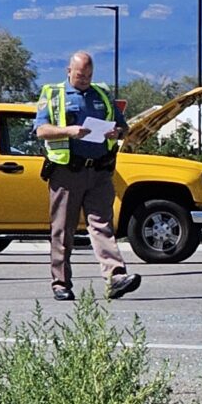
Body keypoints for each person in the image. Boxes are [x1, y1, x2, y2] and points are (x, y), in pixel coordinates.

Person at [35, 51, 140, 301]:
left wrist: (117, 132)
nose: (84, 79)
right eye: (80, 75)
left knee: (103, 225)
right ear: (68, 71)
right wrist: (68, 131)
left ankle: (115, 276)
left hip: (99, 171)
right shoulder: (53, 94)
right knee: (63, 229)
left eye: (89, 75)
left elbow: (124, 127)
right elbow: (40, 130)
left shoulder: (101, 94)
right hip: (67, 172)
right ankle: (61, 283)